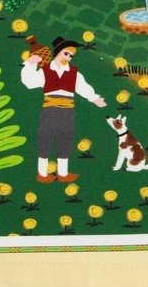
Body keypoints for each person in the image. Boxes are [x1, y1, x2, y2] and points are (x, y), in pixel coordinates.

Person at [21, 36, 106, 183]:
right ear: (58, 52)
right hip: (50, 110)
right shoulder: (45, 70)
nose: (68, 57)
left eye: (71, 55)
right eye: (66, 53)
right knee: (45, 139)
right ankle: (42, 174)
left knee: (66, 139)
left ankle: (63, 173)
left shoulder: (74, 72)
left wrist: (94, 98)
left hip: (67, 111)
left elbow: (83, 87)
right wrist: (30, 64)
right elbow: (29, 83)